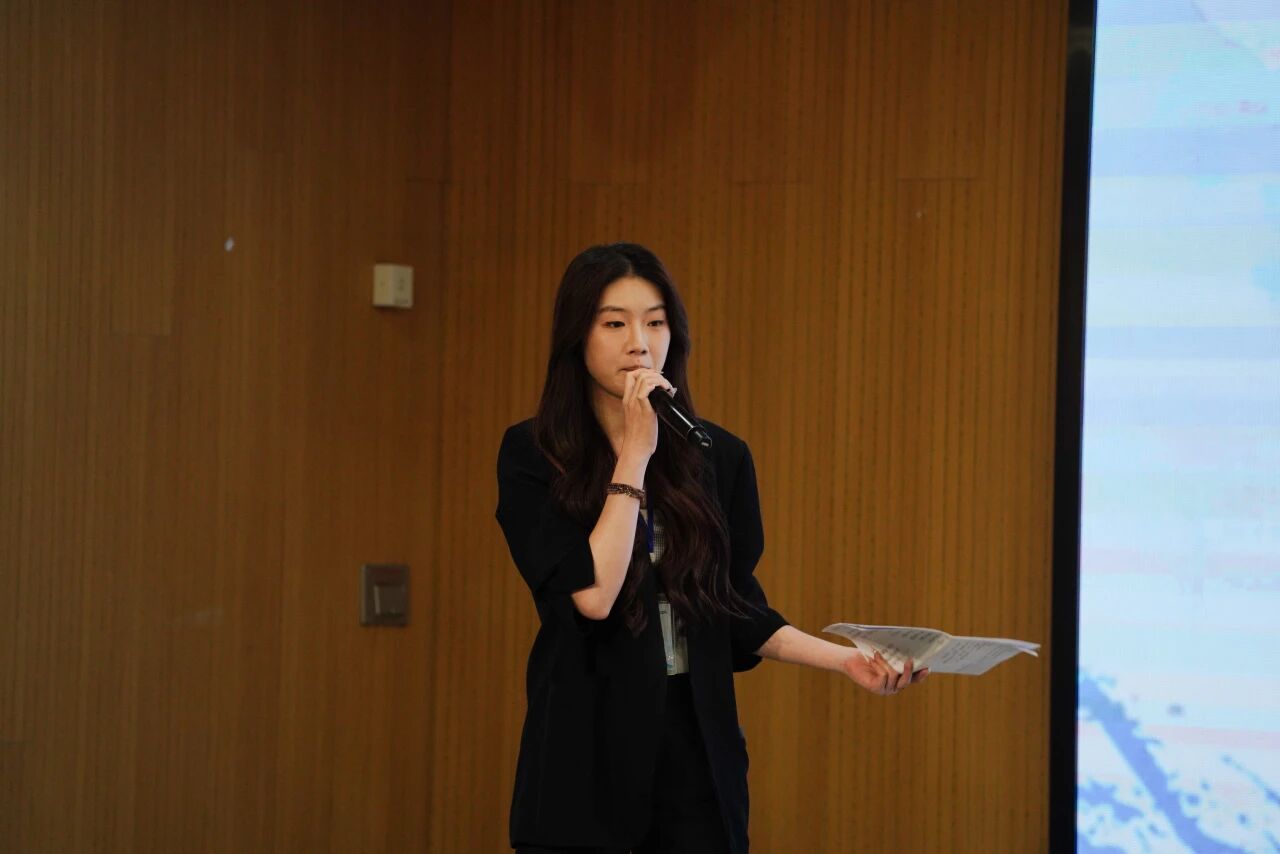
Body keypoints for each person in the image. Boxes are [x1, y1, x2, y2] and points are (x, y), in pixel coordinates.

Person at [495, 243, 928, 854]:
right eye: (614, 324)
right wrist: (635, 455)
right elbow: (593, 596)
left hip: (696, 748)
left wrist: (845, 661)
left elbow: (734, 608)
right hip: (585, 750)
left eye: (655, 323)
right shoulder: (535, 454)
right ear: (577, 337)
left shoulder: (716, 455)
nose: (639, 344)